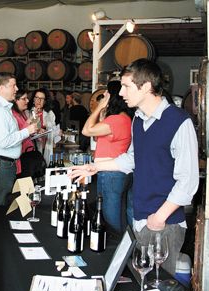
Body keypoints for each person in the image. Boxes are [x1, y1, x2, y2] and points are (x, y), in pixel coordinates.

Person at [70, 59, 199, 276]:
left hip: (164, 224)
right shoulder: (138, 119)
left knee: (157, 290)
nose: (121, 92)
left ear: (146, 86)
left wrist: (159, 217)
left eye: (127, 86)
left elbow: (188, 181)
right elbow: (131, 159)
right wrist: (95, 167)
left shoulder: (179, 122)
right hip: (140, 219)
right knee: (142, 283)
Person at [0, 72, 37, 246]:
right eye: (13, 85)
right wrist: (27, 132)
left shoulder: (5, 109)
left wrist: (25, 130)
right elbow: (4, 141)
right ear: (2, 87)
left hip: (4, 164)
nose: (17, 89)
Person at [81, 80, 134, 232]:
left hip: (110, 173)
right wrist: (103, 113)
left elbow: (86, 130)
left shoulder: (117, 120)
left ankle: (117, 250)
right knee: (116, 212)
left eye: (106, 93)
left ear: (112, 97)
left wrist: (99, 107)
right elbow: (97, 137)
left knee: (110, 217)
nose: (103, 95)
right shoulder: (123, 118)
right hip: (114, 172)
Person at [28, 88, 56, 165]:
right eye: (37, 98)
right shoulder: (28, 112)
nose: (39, 100)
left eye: (42, 99)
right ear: (33, 99)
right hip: (33, 145)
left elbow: (53, 128)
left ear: (45, 101)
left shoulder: (50, 113)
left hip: (46, 143)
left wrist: (47, 126)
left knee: (46, 165)